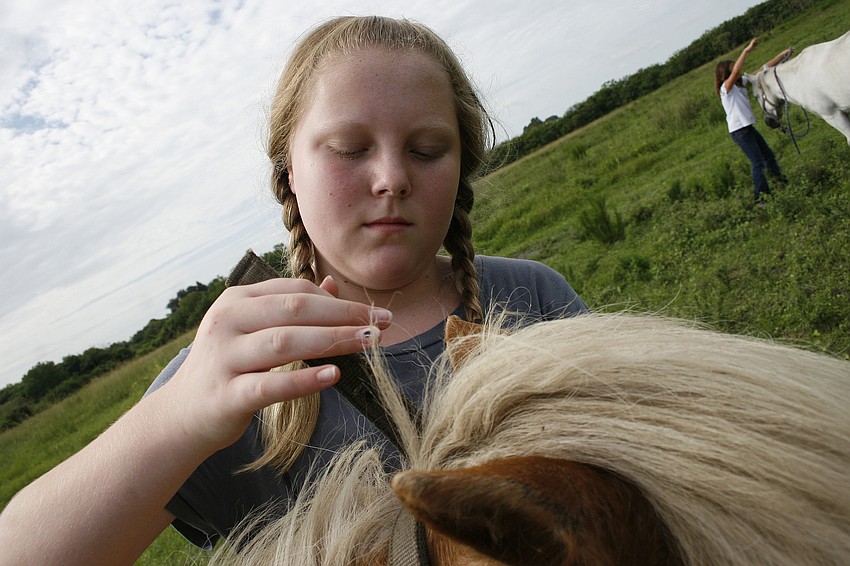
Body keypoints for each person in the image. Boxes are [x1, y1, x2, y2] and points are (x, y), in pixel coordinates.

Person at [0, 15, 587, 565]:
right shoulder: (242, 367)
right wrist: (179, 416)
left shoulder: (533, 296)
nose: (392, 178)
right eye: (350, 149)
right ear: (287, 172)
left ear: (463, 162)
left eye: (427, 149)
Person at [714, 38, 791, 206]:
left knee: (768, 156)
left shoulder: (741, 84)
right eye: (733, 67)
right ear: (726, 72)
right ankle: (761, 199)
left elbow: (761, 70)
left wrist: (780, 55)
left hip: (747, 128)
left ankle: (782, 183)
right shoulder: (725, 89)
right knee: (758, 162)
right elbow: (736, 73)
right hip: (739, 131)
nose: (737, 69)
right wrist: (746, 51)